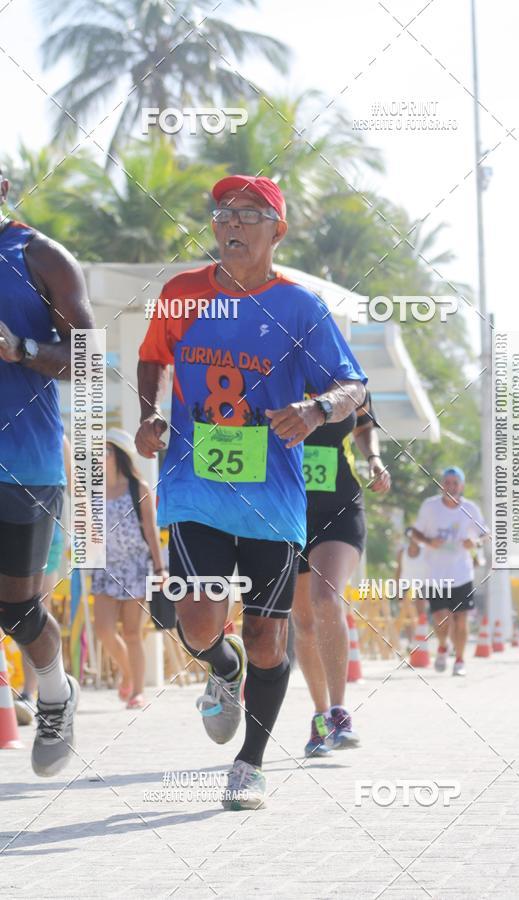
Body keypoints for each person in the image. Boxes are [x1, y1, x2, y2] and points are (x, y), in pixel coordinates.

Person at [135, 174, 367, 810]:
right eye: (222, 213)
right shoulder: (181, 295)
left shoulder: (300, 307)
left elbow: (353, 385)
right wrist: (152, 413)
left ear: (277, 230)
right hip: (194, 486)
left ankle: (250, 763)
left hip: (273, 499)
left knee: (270, 637)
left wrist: (317, 409)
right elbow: (152, 359)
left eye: (249, 213)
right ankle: (222, 666)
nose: (231, 223)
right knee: (199, 618)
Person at [0, 168, 94, 775]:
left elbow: (90, 359)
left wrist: (23, 351)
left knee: (16, 611)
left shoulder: (39, 255)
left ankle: (55, 693)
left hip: (23, 466)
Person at [292, 392, 390, 757]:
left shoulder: (344, 375)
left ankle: (339, 712)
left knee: (325, 597)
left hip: (339, 509)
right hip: (288, 512)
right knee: (302, 622)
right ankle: (319, 716)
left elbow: (365, 424)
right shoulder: (273, 368)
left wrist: (374, 459)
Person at [91, 429, 165, 708]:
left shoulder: (138, 487)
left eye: (106, 451)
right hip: (105, 567)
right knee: (104, 630)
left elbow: (150, 528)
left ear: (118, 455)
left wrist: (160, 569)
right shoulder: (94, 489)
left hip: (136, 566)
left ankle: (136, 690)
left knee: (133, 632)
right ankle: (127, 674)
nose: (100, 456)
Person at [15, 436, 72, 726]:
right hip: (12, 526)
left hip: (47, 532)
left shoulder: (58, 439)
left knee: (33, 610)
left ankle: (33, 689)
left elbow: (74, 489)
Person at [410, 466, 488, 677]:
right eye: (447, 482)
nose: (451, 486)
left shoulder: (470, 509)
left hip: (462, 573)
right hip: (435, 574)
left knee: (461, 619)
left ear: (461, 486)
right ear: (441, 485)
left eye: (455, 483)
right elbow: (414, 532)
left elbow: (485, 535)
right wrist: (428, 541)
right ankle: (443, 645)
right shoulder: (430, 507)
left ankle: (460, 660)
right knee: (441, 618)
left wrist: (475, 543)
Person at [395, 527, 427, 650]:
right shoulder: (402, 552)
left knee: (420, 614)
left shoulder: (425, 551)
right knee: (406, 616)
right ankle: (411, 642)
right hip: (405, 586)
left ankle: (421, 641)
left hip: (421, 586)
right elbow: (398, 571)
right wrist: (397, 590)